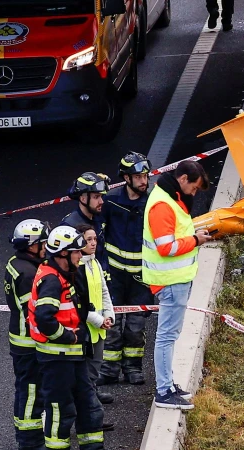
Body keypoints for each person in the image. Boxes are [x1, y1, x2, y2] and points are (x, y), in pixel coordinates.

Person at [28, 226, 105, 450]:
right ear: (63, 254)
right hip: (57, 360)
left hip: (73, 357)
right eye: (77, 252)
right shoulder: (51, 281)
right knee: (61, 412)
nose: (81, 255)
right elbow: (45, 320)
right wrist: (70, 337)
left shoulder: (64, 275)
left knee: (89, 407)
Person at [143, 161, 212, 409]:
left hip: (174, 280)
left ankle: (168, 385)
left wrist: (193, 235)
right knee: (166, 337)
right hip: (170, 281)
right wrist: (195, 240)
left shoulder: (169, 197)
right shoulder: (163, 205)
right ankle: (163, 391)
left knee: (169, 336)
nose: (193, 194)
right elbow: (166, 247)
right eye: (193, 188)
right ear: (182, 179)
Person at [98, 152, 153, 387]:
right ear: (126, 178)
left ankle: (133, 367)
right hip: (115, 276)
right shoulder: (110, 201)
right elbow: (98, 236)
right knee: (111, 323)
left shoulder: (151, 203)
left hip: (141, 276)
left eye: (145, 176)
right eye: (138, 177)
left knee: (135, 326)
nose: (143, 181)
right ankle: (109, 370)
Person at [5, 219, 49, 450]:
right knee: (32, 391)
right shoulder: (29, 273)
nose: (46, 246)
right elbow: (35, 313)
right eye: (42, 242)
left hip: (19, 339)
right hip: (29, 342)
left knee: (24, 388)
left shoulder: (15, 263)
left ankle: (23, 434)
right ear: (31, 245)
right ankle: (30, 441)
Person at [75, 224, 116, 409]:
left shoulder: (95, 262)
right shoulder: (77, 268)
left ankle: (91, 406)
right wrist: (100, 321)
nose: (93, 243)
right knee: (86, 374)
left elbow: (104, 292)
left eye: (94, 239)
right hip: (87, 329)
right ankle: (90, 412)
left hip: (99, 329)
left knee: (95, 369)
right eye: (88, 240)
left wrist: (109, 315)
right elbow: (79, 305)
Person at [62, 172, 111, 273]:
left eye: (101, 196)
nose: (101, 201)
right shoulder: (70, 225)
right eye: (96, 197)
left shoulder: (98, 216)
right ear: (83, 198)